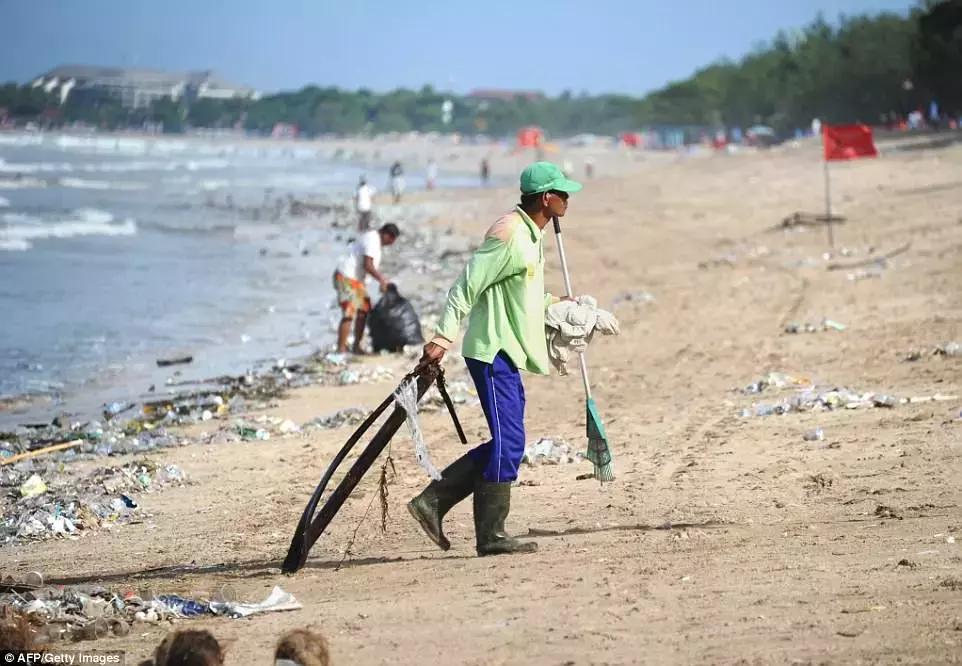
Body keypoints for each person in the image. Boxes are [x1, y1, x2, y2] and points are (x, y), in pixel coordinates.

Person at [408, 162, 582, 556]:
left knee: (510, 440)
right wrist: (442, 336)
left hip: (508, 352)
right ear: (546, 198)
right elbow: (466, 286)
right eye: (562, 193)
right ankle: (488, 534)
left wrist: (556, 304)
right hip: (491, 352)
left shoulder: (532, 235)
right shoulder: (509, 234)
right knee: (511, 441)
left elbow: (521, 293)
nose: (568, 200)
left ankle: (433, 503)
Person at [333, 223, 400, 353]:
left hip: (356, 280)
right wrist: (382, 280)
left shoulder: (375, 241)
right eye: (392, 240)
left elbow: (367, 268)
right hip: (346, 277)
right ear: (387, 235)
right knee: (349, 313)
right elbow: (368, 265)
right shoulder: (372, 240)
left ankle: (356, 346)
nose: (391, 244)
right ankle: (341, 349)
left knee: (364, 311)